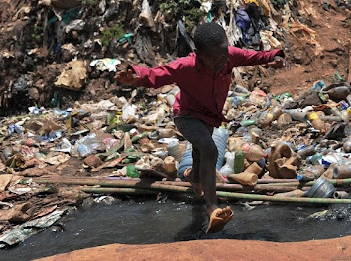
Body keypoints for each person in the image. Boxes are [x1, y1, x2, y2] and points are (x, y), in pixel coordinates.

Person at [116, 22, 286, 234]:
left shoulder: (229, 56)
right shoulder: (187, 66)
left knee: (199, 152)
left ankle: (194, 177)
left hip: (208, 117)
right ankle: (212, 208)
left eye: (223, 57)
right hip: (186, 116)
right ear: (199, 54)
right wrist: (135, 75)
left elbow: (253, 56)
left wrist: (274, 57)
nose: (221, 62)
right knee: (209, 149)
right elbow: (158, 74)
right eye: (213, 59)